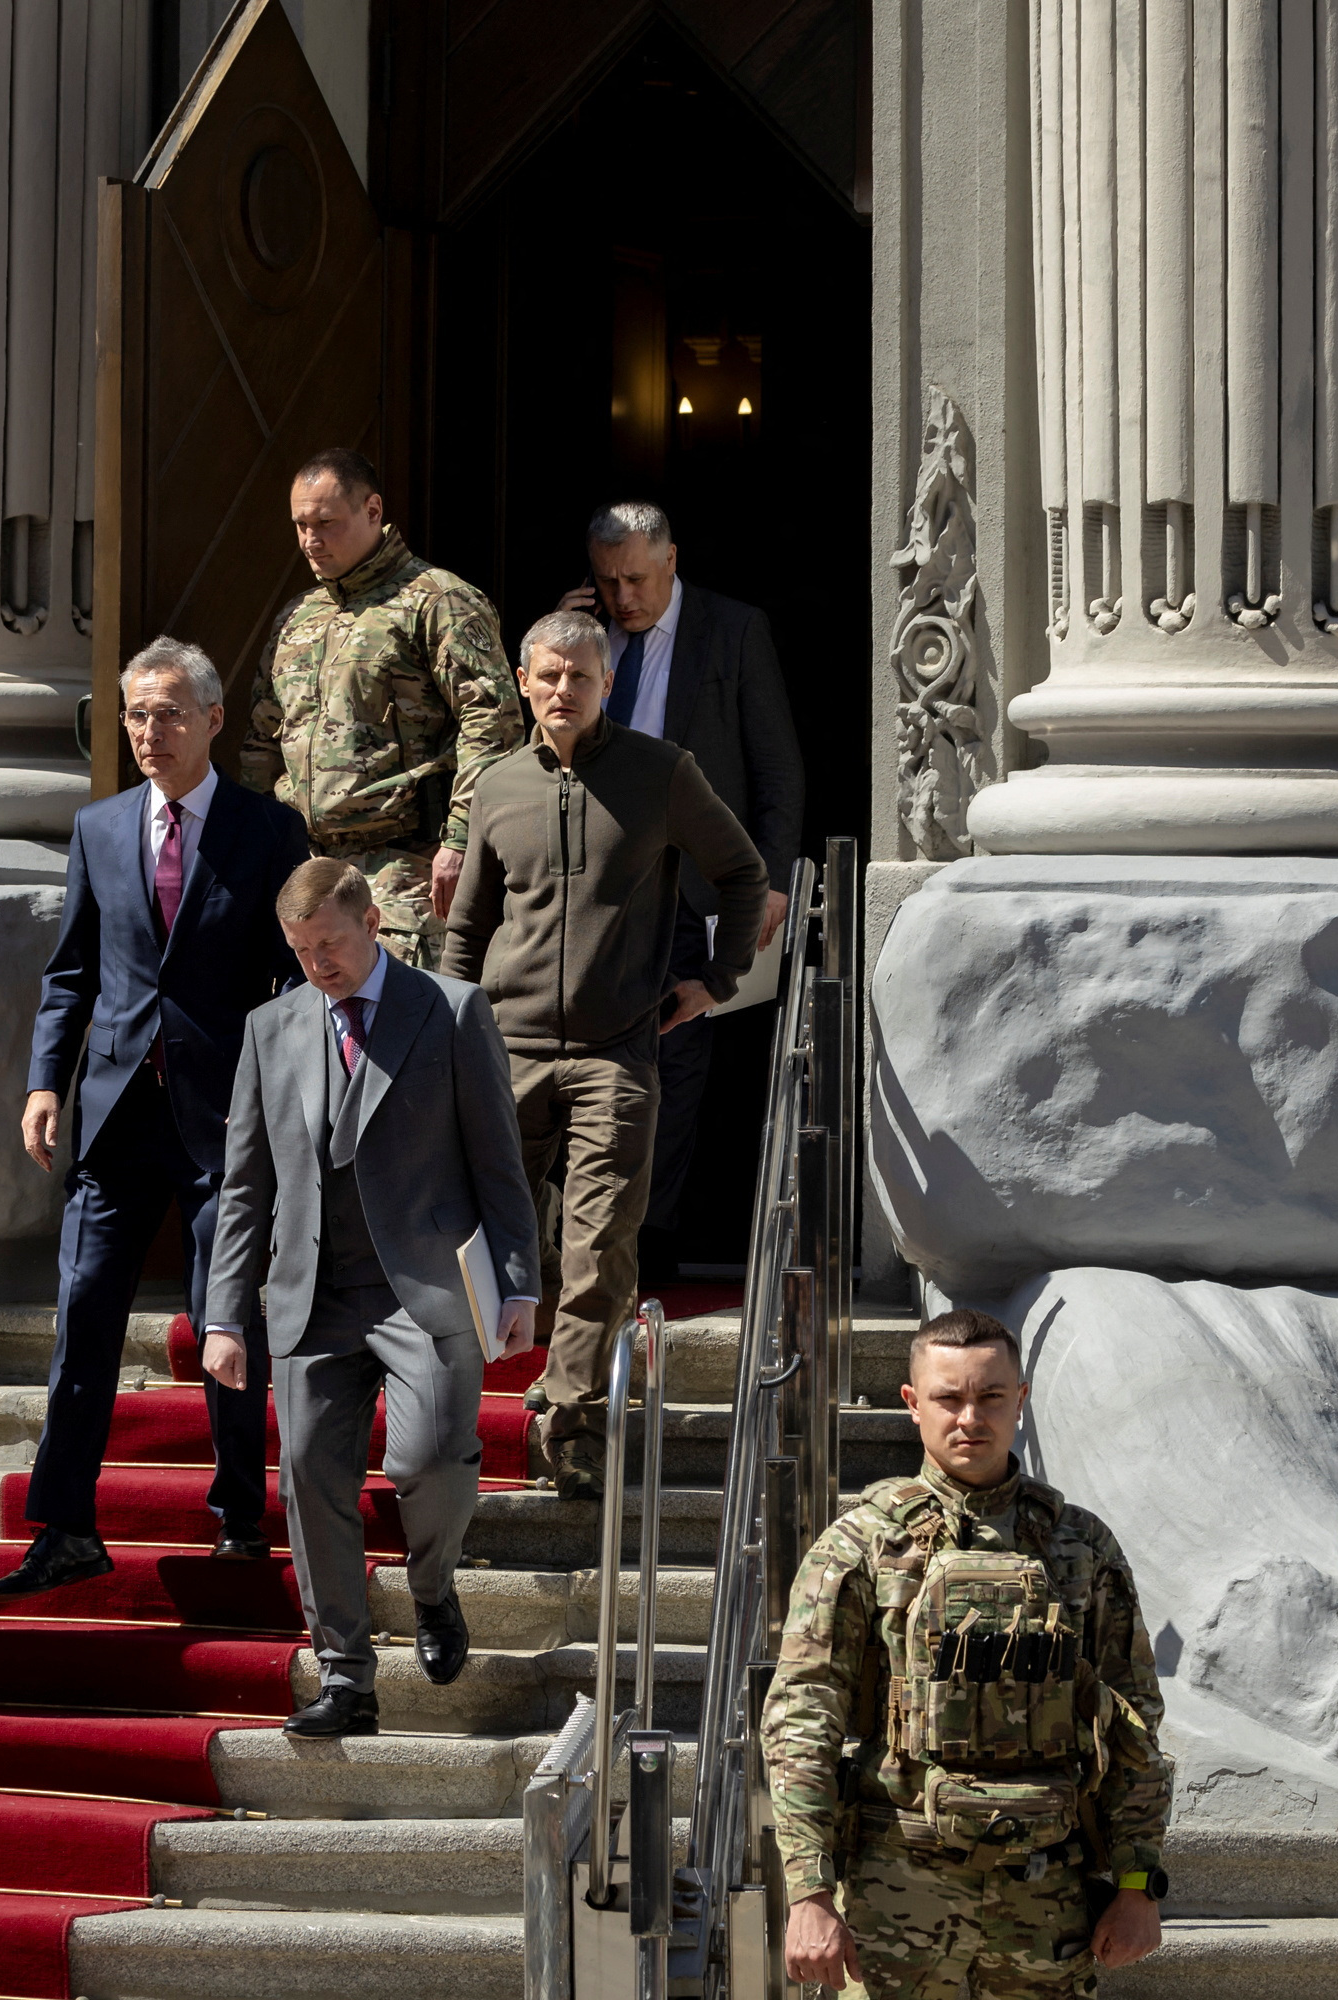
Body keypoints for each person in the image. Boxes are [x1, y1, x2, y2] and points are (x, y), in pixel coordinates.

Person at [0, 638, 313, 1596]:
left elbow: (299, 979)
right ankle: (64, 1525)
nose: (148, 731)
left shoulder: (269, 832)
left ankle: (240, 1518)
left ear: (214, 721)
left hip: (229, 1114)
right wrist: (46, 1080)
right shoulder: (98, 829)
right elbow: (72, 972)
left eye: (169, 712)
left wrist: (300, 1102)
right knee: (85, 1311)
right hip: (116, 1111)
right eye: (135, 713)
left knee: (230, 1319)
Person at [201, 860, 541, 1736]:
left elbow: (498, 1158)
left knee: (427, 1458)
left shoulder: (451, 1011)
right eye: (303, 950)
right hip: (311, 1293)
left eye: (333, 944)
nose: (320, 964)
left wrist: (517, 1278)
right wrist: (223, 1314)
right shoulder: (268, 1029)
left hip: (424, 1286)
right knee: (311, 1474)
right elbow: (243, 1186)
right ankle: (346, 1678)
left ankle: (432, 1589)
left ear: (373, 921)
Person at [440, 609, 768, 1502]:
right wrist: (450, 1040)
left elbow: (742, 874)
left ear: (606, 683)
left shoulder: (663, 774)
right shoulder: (498, 787)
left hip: (616, 1057)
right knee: (477, 1241)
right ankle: (446, 1413)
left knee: (599, 1247)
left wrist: (719, 980)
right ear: (523, 681)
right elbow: (467, 927)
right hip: (504, 1052)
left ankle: (576, 1427)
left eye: (580, 677)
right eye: (548, 676)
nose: (563, 691)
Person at [760, 1308, 1171, 2000]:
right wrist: (809, 1890)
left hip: (1047, 1897)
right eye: (949, 1398)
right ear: (913, 1405)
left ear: (1021, 1400)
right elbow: (803, 1720)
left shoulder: (1080, 1546)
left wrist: (1138, 1883)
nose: (970, 1418)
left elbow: (1132, 1724)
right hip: (900, 1892)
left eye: (990, 1397)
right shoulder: (859, 1546)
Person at [558, 502, 805, 1282]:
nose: (622, 595)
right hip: (596, 890)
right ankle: (581, 1235)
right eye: (607, 580)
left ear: (671, 560)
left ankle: (648, 1238)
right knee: (590, 1061)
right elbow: (546, 754)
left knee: (675, 1064)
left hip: (694, 885)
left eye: (635, 577)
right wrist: (562, 651)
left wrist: (767, 875)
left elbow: (777, 767)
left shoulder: (733, 632)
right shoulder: (588, 647)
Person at [241, 446, 523, 968]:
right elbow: (263, 739)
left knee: (399, 1035)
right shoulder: (296, 619)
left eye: (325, 522)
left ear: (373, 511)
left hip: (405, 870)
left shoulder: (438, 602)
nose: (310, 539)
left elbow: (493, 728)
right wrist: (265, 846)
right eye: (300, 524)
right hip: (306, 873)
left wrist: (462, 838)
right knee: (316, 1041)